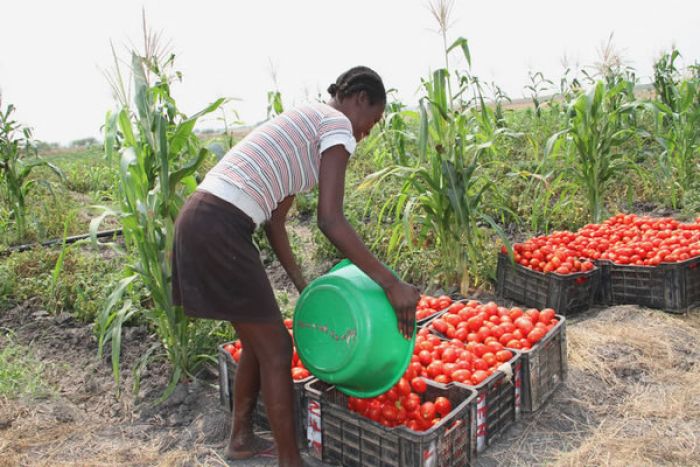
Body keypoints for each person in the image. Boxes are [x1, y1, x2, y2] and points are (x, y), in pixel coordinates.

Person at [171, 66, 420, 467]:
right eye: (371, 122)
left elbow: (276, 222)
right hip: (221, 225)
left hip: (204, 218)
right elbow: (330, 220)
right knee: (277, 349)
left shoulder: (309, 124)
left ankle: (241, 441)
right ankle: (291, 461)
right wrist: (391, 284)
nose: (365, 134)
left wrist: (305, 286)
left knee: (259, 341)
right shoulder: (336, 122)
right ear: (359, 99)